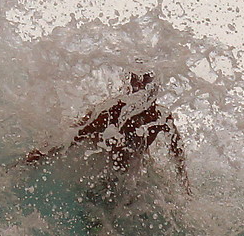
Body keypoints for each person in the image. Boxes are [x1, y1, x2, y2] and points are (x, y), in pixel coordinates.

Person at [19, 71, 188, 194]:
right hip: (102, 174)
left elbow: (177, 152)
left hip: (132, 178)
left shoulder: (160, 117)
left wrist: (185, 186)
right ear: (128, 87)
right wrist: (33, 158)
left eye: (147, 83)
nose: (141, 88)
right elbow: (70, 137)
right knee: (101, 218)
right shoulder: (111, 112)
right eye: (137, 83)